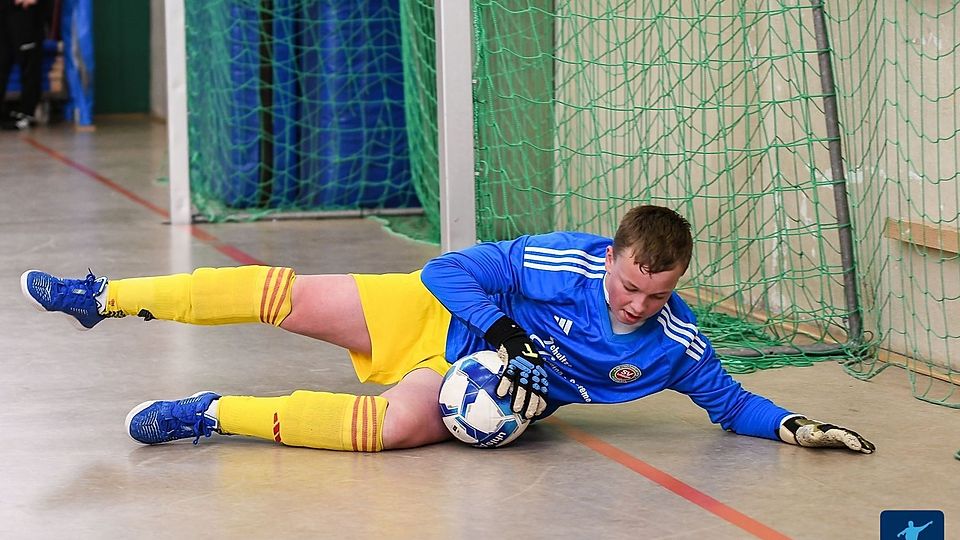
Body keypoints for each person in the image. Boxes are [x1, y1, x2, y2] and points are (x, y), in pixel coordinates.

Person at [20, 205, 876, 454]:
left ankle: (208, 415)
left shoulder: (672, 345)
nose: (634, 307)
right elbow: (445, 272)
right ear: (608, 257)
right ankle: (104, 295)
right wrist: (504, 331)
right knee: (279, 294)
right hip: (437, 315)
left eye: (655, 297)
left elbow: (729, 406)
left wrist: (794, 426)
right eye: (627, 287)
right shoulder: (559, 261)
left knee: (394, 429)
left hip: (476, 383)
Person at [0, 0, 51, 131]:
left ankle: (27, 113)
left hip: (26, 17)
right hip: (5, 14)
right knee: (3, 62)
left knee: (30, 65)